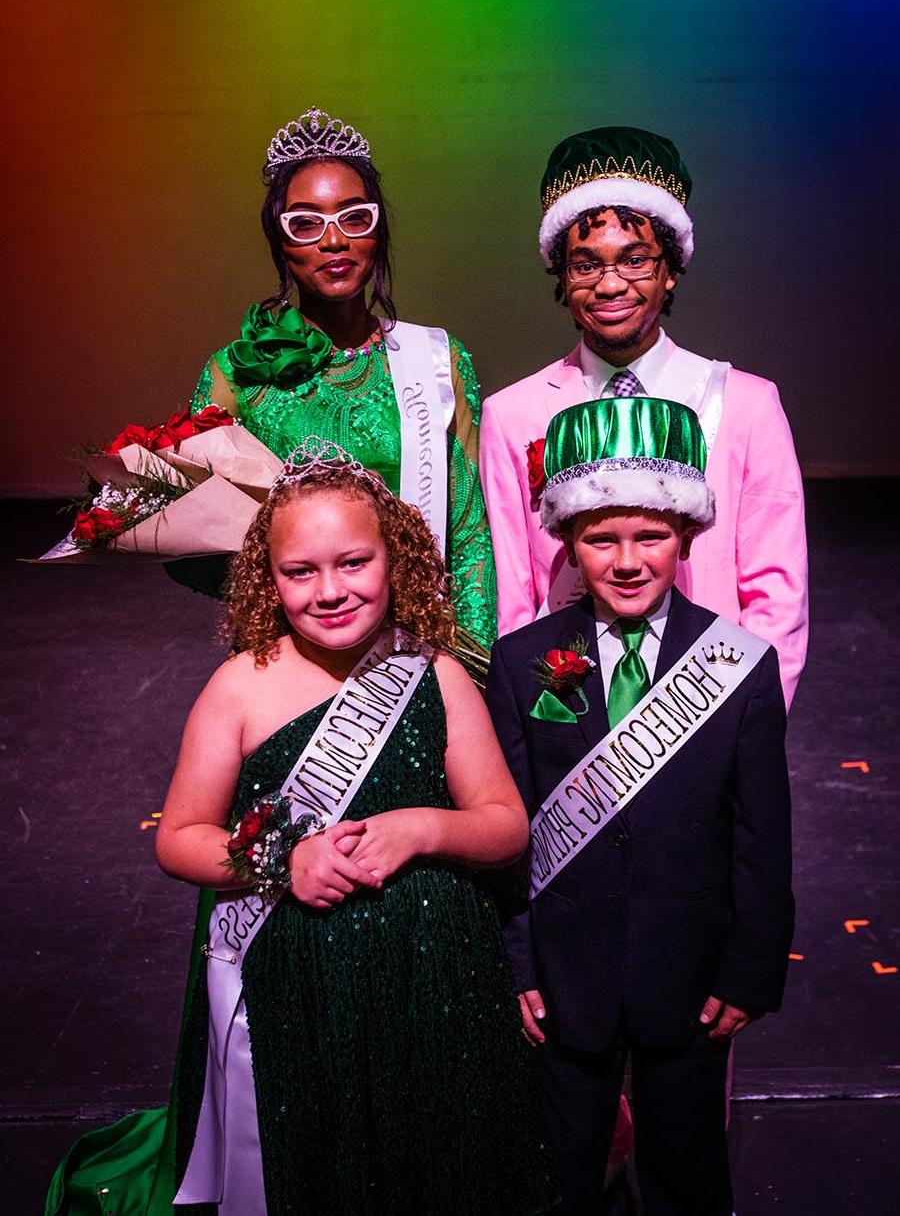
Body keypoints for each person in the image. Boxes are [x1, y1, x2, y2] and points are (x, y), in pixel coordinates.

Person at [46, 439, 554, 1216]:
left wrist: (421, 827)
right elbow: (179, 835)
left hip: (437, 985)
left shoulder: (437, 672)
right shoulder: (239, 686)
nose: (330, 591)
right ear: (266, 577)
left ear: (397, 559)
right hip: (294, 989)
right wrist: (283, 859)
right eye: (300, 572)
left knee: (439, 1159)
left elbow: (505, 825)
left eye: (354, 563)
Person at [486, 396, 794, 1216]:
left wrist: (750, 971)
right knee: (556, 1180)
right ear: (567, 541)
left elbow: (763, 836)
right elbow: (506, 829)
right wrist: (515, 966)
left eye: (650, 536)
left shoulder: (740, 664)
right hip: (562, 981)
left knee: (689, 1176)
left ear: (686, 537)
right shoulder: (520, 664)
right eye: (600, 538)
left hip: (691, 980)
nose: (627, 560)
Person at [479, 124, 807, 705]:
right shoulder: (512, 413)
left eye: (634, 260)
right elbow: (513, 593)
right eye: (586, 264)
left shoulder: (746, 404)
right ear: (561, 273)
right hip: (566, 708)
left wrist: (749, 720)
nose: (610, 284)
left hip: (709, 700)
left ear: (670, 268)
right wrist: (528, 715)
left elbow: (776, 591)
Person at [187, 107, 496, 657]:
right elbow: (206, 548)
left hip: (419, 651)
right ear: (280, 243)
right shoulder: (234, 374)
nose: (333, 241)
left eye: (354, 217)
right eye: (305, 223)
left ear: (378, 232)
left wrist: (471, 664)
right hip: (288, 656)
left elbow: (469, 533)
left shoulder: (438, 358)